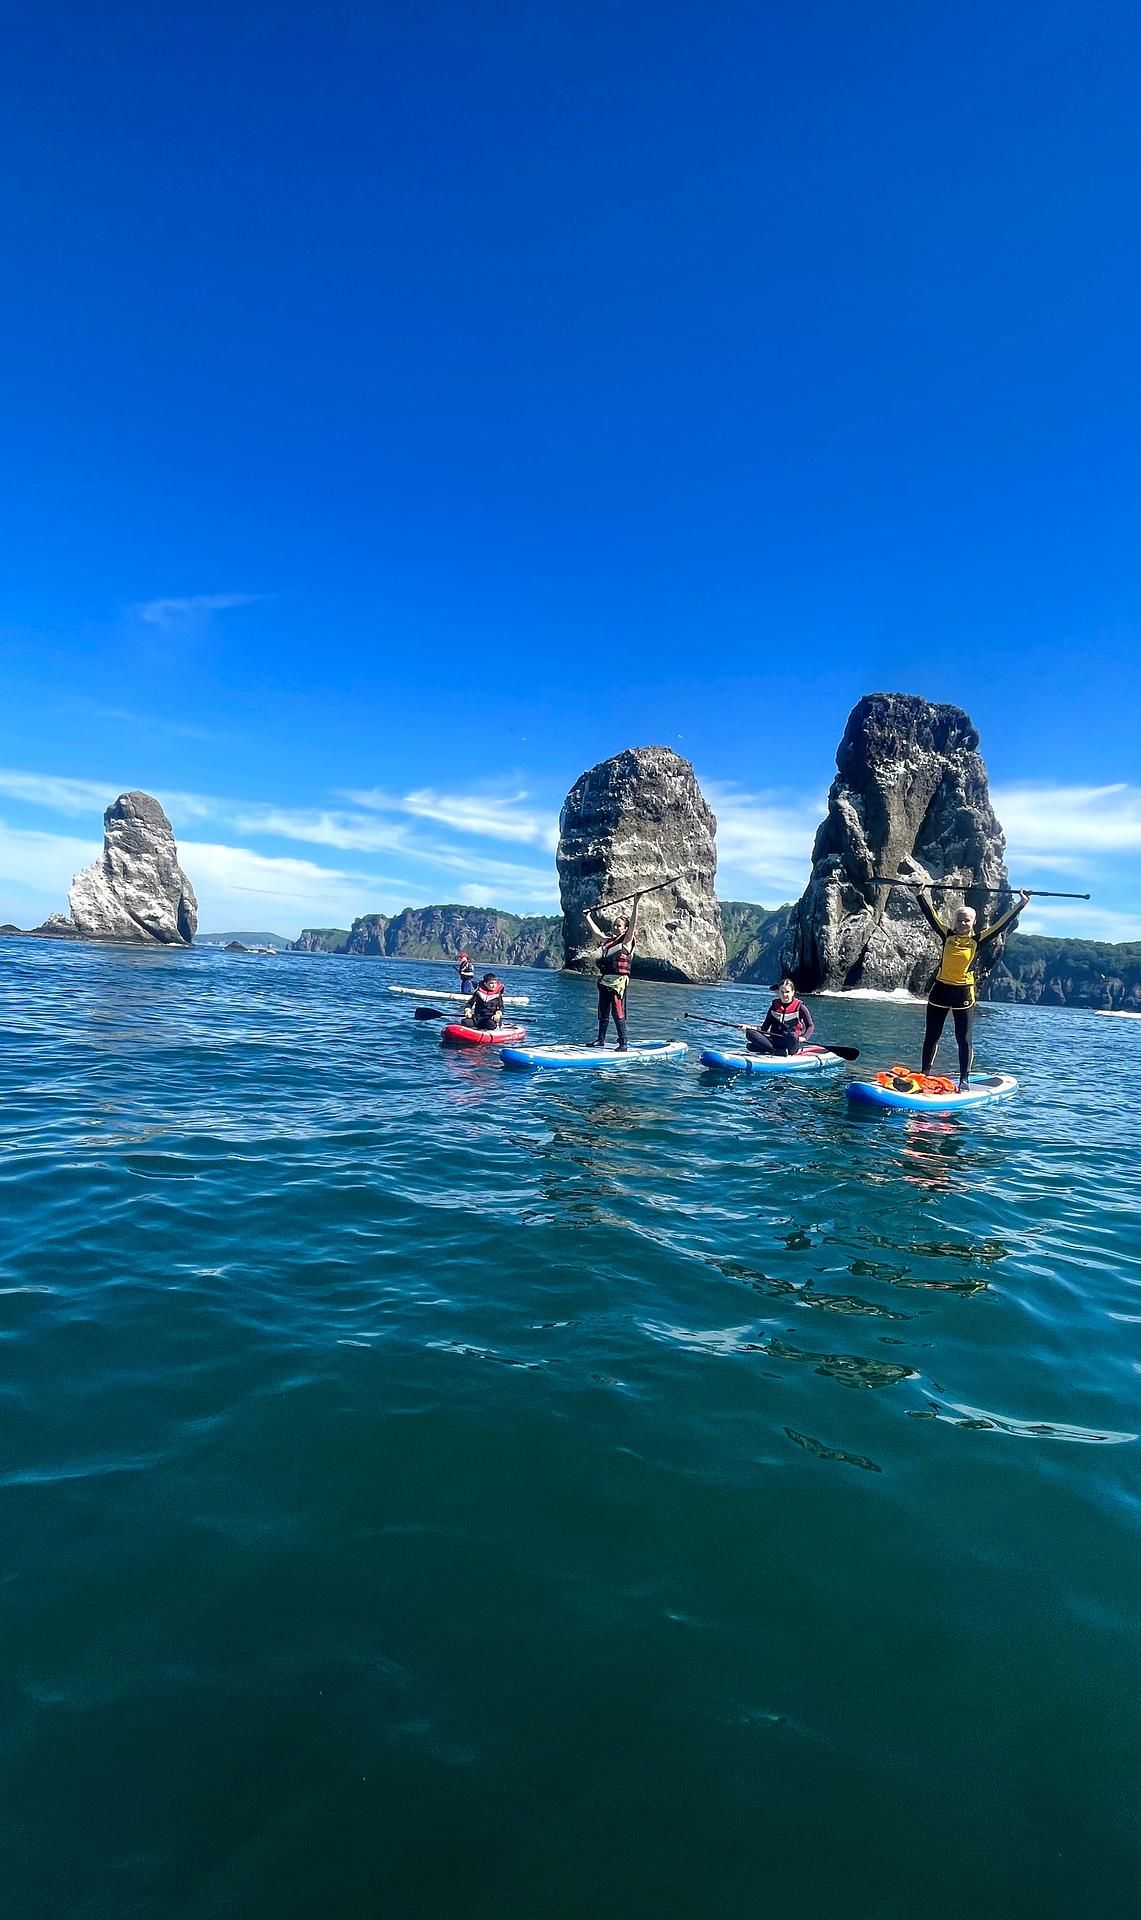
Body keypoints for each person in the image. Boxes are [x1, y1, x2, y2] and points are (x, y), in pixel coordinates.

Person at [913, 883, 1031, 1089]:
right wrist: (920, 894)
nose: (962, 923)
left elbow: (1002, 924)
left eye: (966, 920)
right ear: (955, 921)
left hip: (963, 994)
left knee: (963, 1039)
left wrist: (1021, 904)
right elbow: (930, 916)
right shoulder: (947, 935)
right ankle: (924, 1073)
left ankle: (964, 1079)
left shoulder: (979, 940)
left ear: (974, 922)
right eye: (959, 920)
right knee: (931, 1035)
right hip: (940, 990)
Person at [583, 894, 642, 1050]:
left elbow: (633, 924)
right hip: (605, 980)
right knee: (603, 1010)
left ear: (625, 929)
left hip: (618, 982)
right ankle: (600, 1039)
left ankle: (623, 1042)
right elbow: (597, 934)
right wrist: (588, 917)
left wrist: (636, 903)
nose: (615, 927)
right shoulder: (608, 941)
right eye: (614, 925)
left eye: (619, 925)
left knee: (617, 1011)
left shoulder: (627, 941)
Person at [745, 979, 816, 1055]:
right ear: (778, 992)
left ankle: (768, 1049)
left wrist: (804, 1037)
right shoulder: (774, 1006)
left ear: (793, 992)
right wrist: (749, 1027)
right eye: (782, 992)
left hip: (791, 1042)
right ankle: (776, 1051)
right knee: (750, 1033)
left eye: (787, 992)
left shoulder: (800, 1007)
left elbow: (810, 1026)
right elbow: (764, 1028)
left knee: (792, 1035)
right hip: (775, 1041)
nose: (784, 995)